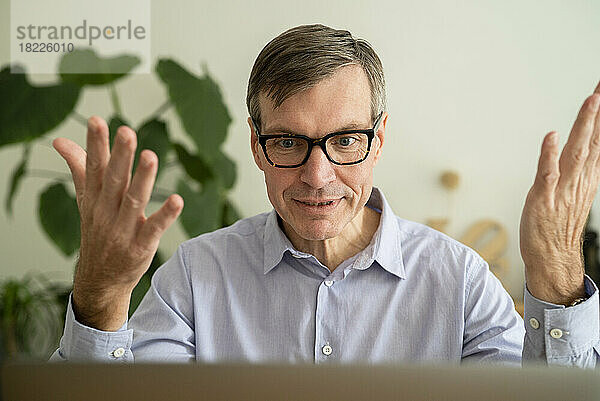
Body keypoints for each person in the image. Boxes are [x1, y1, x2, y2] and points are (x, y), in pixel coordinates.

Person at [50, 24, 599, 366]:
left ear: (378, 139)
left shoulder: (458, 281)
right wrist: (100, 296)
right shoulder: (196, 278)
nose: (317, 174)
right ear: (257, 145)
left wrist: (556, 275)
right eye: (288, 141)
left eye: (344, 141)